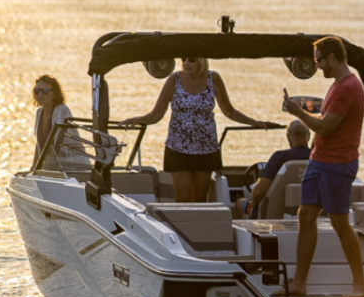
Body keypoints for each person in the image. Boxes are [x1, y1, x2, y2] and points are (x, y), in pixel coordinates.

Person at [275, 36, 364, 297]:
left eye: (319, 61)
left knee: (339, 222)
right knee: (306, 215)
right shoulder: (337, 84)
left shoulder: (348, 87)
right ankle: (299, 283)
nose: (317, 67)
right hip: (320, 160)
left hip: (338, 164)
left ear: (332, 58)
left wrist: (297, 112)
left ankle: (360, 285)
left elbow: (326, 126)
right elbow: (325, 123)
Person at [119, 57, 277, 202]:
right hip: (178, 148)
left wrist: (255, 122)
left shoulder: (213, 78)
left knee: (201, 198)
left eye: (192, 59)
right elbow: (156, 114)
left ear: (201, 61)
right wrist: (138, 119)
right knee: (183, 198)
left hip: (206, 149)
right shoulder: (174, 80)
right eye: (184, 59)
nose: (186, 63)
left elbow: (229, 111)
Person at [236, 119, 311, 218]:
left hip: (272, 215)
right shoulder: (318, 157)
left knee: (239, 203)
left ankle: (248, 233)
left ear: (288, 137)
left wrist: (253, 202)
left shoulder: (279, 157)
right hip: (310, 212)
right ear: (309, 137)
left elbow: (259, 192)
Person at [32, 75, 84, 171]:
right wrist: (34, 168)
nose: (40, 95)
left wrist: (46, 168)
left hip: (70, 167)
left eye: (45, 91)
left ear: (54, 94)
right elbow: (38, 143)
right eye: (36, 91)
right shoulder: (39, 112)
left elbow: (59, 144)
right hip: (52, 168)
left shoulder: (61, 111)